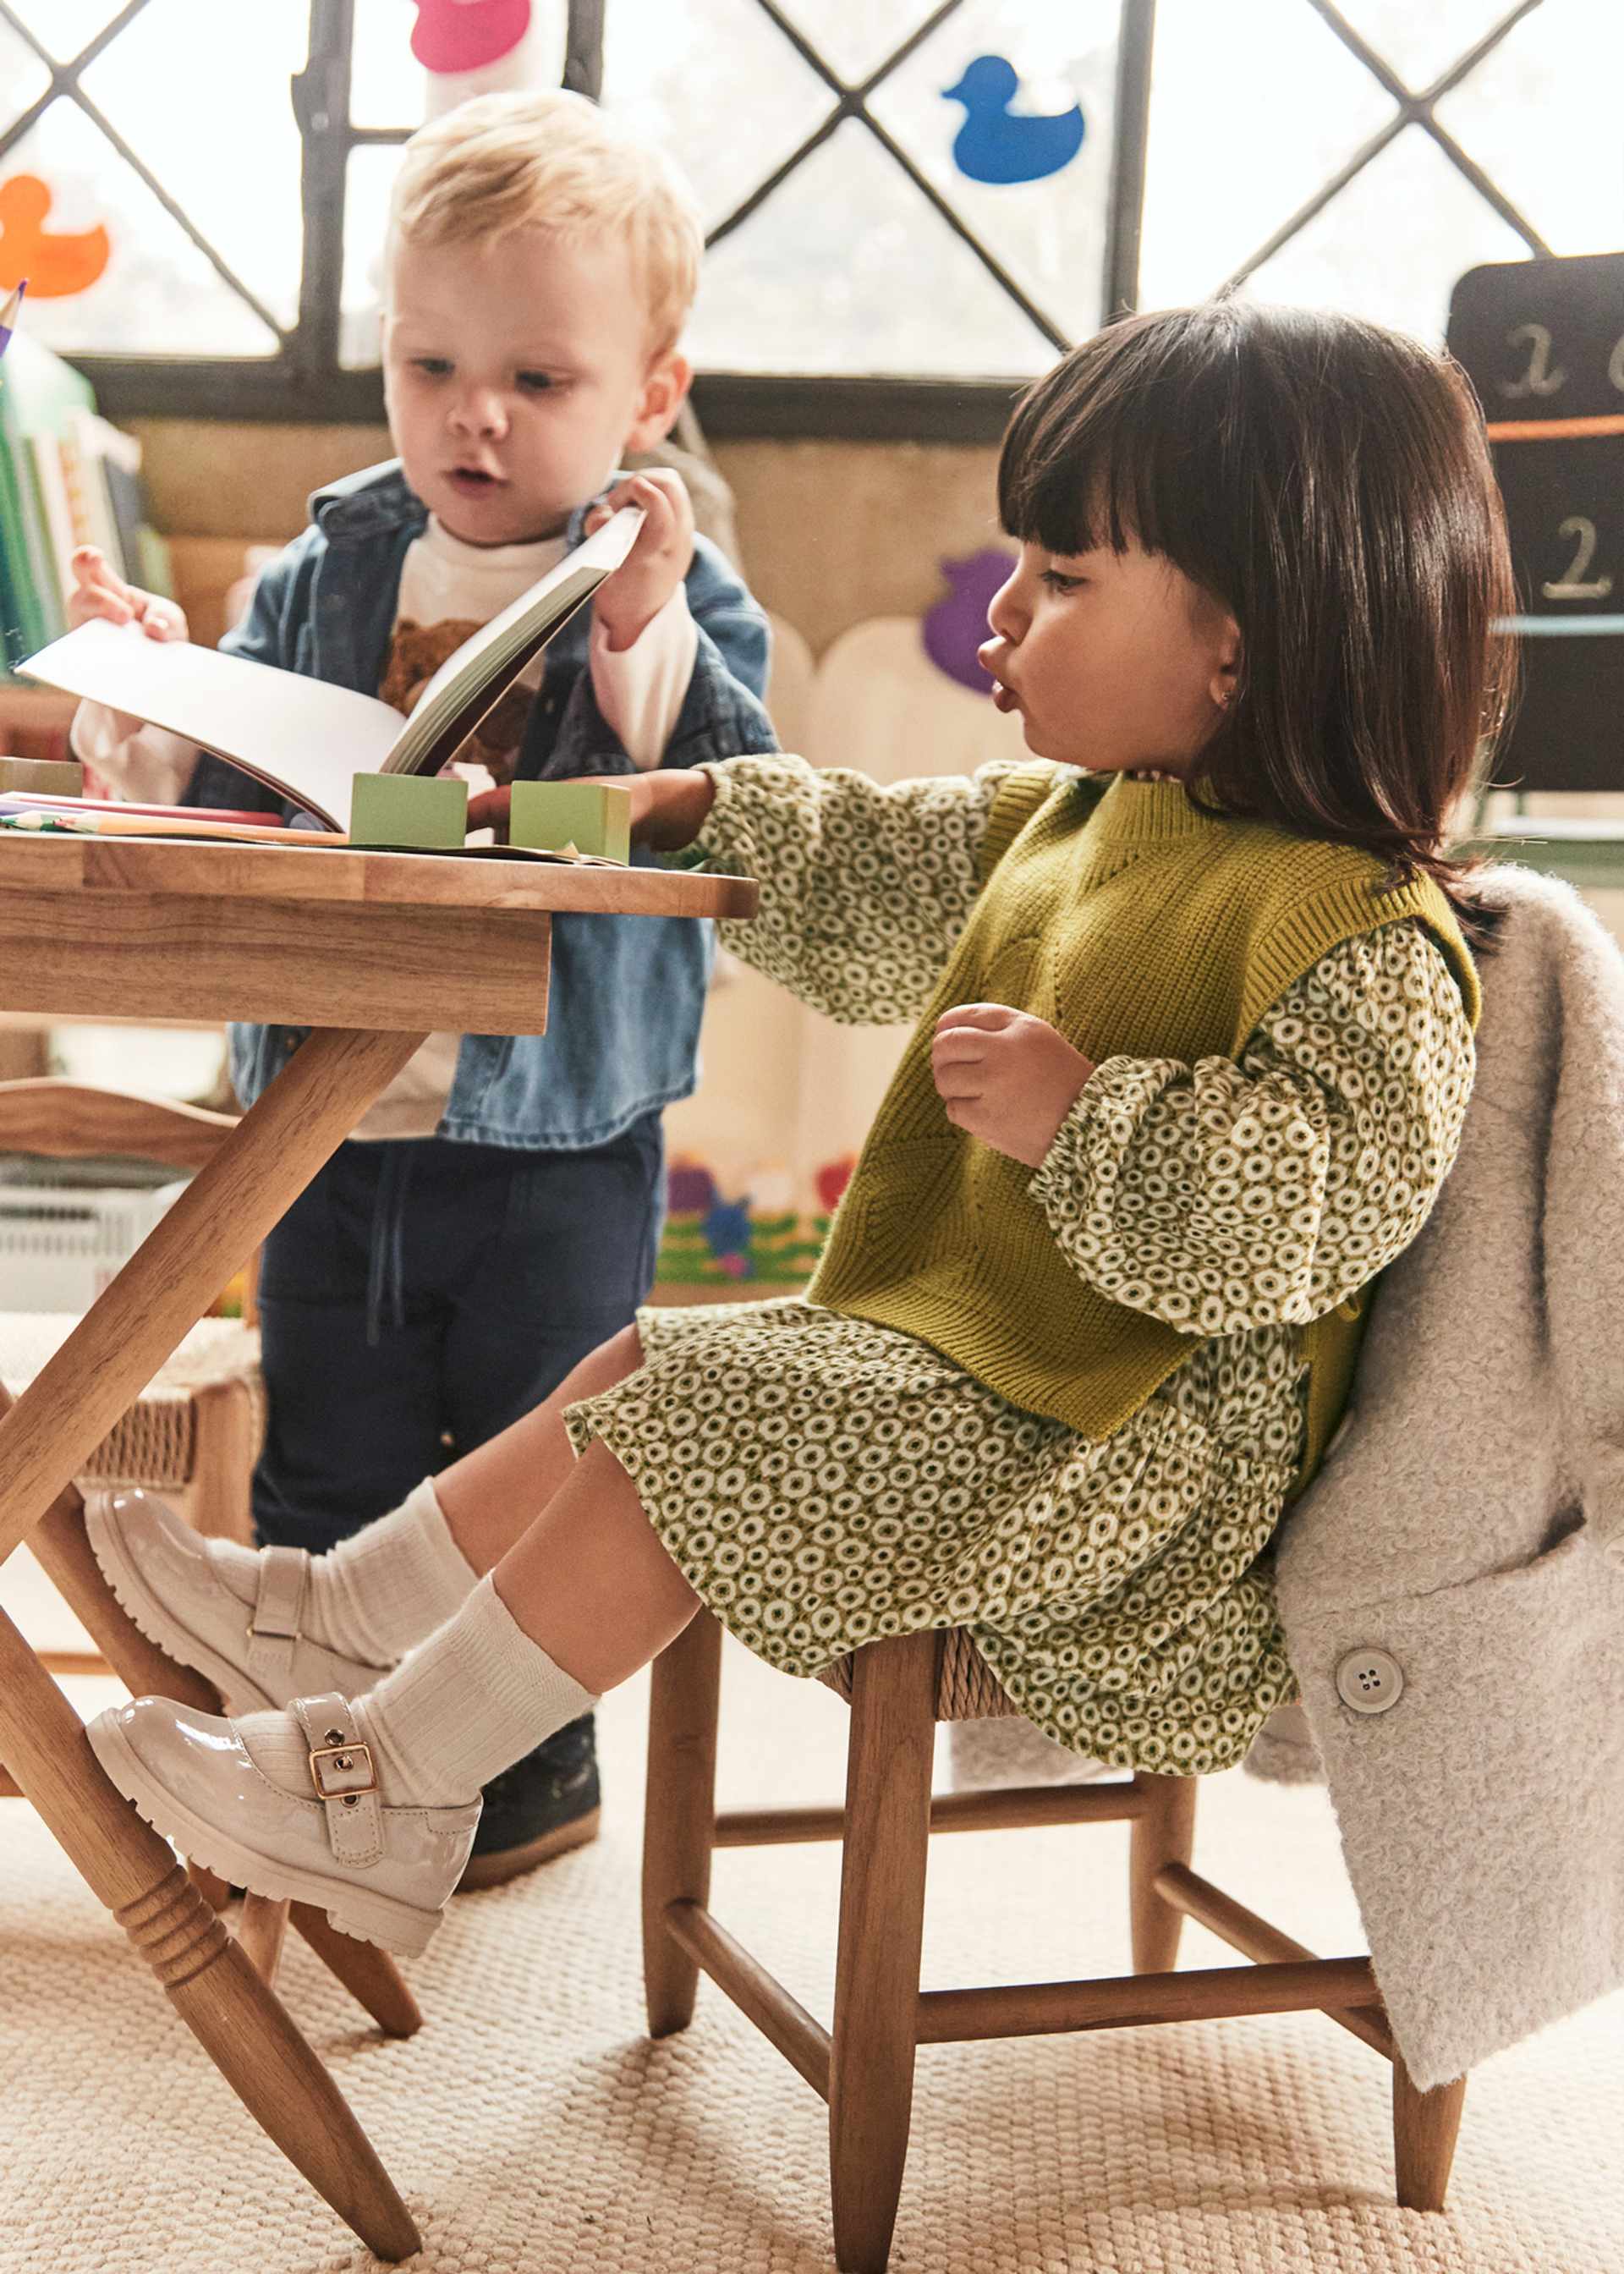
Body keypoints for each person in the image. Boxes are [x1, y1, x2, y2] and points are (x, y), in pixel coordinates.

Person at [83, 299, 1514, 1957]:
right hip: (990, 1386)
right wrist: (685, 799)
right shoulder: (1094, 816)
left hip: (1132, 1463)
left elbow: (1313, 1211)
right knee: (646, 1367)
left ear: (1243, 644)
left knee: (713, 1416)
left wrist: (1085, 1118)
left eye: (1060, 581)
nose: (1004, 620)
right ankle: (339, 1619)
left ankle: (393, 1786)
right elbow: (873, 854)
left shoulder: (1367, 935)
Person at [60, 90, 778, 1887]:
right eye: (432, 363)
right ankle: (313, 1772)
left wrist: (636, 642)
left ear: (649, 398)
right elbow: (229, 797)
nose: (476, 414)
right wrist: (150, 709)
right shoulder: (328, 565)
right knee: (334, 1432)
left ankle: (520, 1783)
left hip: (558, 1119)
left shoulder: (670, 586)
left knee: (537, 1444)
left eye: (539, 381)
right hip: (329, 1101)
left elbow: (735, 801)